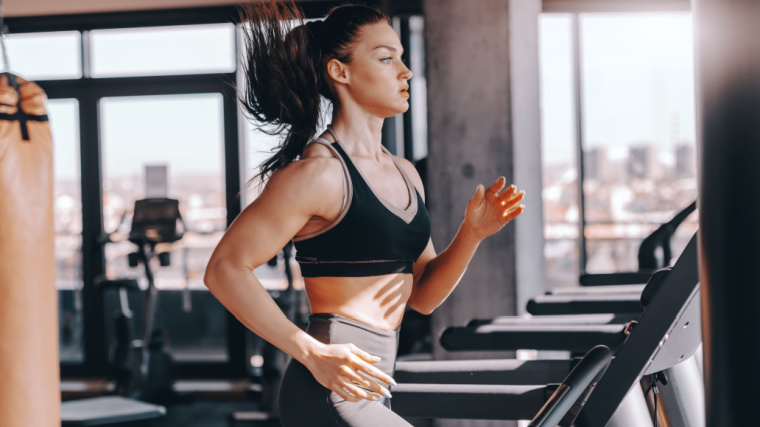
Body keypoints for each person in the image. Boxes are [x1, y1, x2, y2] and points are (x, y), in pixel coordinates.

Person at [204, 2, 525, 425]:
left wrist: (472, 234)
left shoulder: (405, 173)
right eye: (386, 59)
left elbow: (424, 297)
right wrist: (312, 352)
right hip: (328, 385)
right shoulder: (318, 175)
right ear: (341, 72)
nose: (405, 72)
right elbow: (224, 270)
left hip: (375, 381)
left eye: (402, 59)